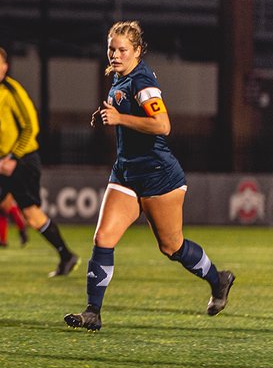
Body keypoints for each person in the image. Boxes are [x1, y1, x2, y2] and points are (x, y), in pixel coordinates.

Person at [64, 21, 234, 331]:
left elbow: (163, 125)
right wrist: (109, 117)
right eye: (111, 49)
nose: (115, 55)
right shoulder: (121, 77)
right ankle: (92, 312)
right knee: (103, 238)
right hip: (126, 172)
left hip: (158, 175)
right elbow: (125, 114)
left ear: (138, 51)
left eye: (122, 50)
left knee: (172, 247)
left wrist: (120, 119)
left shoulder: (142, 82)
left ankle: (218, 280)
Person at [0, 45, 77, 277]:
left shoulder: (13, 92)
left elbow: (31, 127)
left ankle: (66, 255)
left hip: (22, 161)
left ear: (4, 67)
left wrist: (14, 157)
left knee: (32, 216)